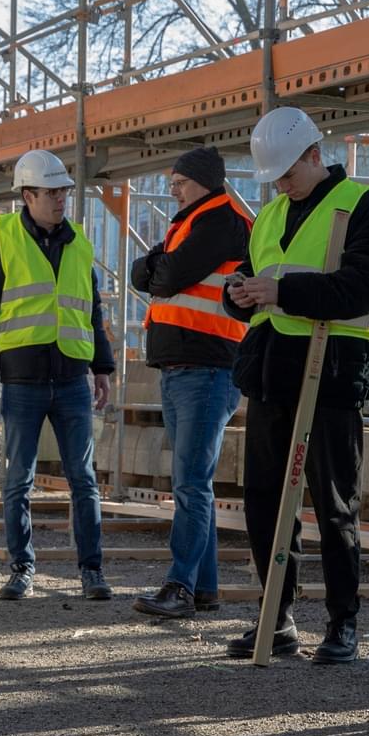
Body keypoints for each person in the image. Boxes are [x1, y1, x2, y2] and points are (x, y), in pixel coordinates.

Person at [221, 106, 369, 664]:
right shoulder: (270, 215)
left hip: (332, 372)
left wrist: (282, 292)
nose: (281, 184)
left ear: (316, 155)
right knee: (266, 500)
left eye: (288, 173)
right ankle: (277, 614)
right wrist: (239, 292)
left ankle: (344, 622)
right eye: (274, 177)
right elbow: (254, 277)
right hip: (272, 371)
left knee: (333, 500)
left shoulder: (364, 208)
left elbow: (361, 289)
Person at [0, 149, 116, 602]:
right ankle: (21, 568)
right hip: (23, 382)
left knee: (83, 479)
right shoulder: (1, 243)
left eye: (64, 192)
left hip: (71, 379)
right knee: (18, 481)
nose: (60, 200)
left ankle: (92, 571)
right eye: (51, 192)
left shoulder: (79, 243)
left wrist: (102, 368)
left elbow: (92, 311)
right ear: (27, 196)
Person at [129, 147, 252, 619]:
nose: (172, 189)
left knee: (191, 484)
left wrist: (160, 267)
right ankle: (204, 589)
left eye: (179, 181)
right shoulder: (194, 220)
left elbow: (167, 275)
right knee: (190, 483)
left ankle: (180, 586)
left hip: (206, 368)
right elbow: (147, 272)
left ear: (202, 181)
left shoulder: (220, 221)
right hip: (185, 367)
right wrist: (158, 266)